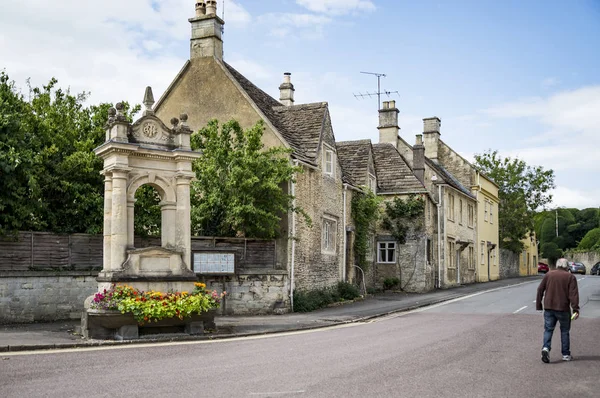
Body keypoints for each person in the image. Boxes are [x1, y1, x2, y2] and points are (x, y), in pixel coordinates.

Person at [536, 258, 579, 363]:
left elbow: (540, 289)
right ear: (566, 266)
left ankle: (546, 348)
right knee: (564, 331)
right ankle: (565, 354)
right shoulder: (570, 277)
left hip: (549, 307)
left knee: (548, 329)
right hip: (563, 308)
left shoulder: (549, 274)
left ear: (557, 265)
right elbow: (573, 295)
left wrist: (539, 305)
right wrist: (575, 309)